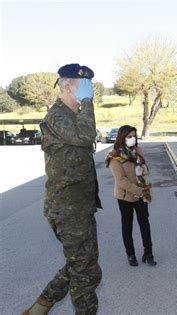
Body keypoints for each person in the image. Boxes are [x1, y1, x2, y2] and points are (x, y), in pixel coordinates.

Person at [22, 64, 102, 314]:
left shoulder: (74, 116)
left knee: (83, 266)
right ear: (67, 87)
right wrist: (88, 102)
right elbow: (86, 136)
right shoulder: (58, 116)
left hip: (80, 206)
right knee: (85, 276)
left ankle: (39, 307)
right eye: (85, 87)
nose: (90, 92)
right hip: (67, 210)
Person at [106, 125, 156, 267]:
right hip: (125, 197)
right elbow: (121, 180)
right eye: (129, 136)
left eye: (134, 135)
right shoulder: (114, 156)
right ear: (122, 137)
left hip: (141, 195)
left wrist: (147, 187)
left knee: (145, 224)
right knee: (127, 226)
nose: (132, 139)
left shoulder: (138, 151)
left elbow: (144, 170)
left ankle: (149, 253)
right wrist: (139, 191)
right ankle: (131, 255)